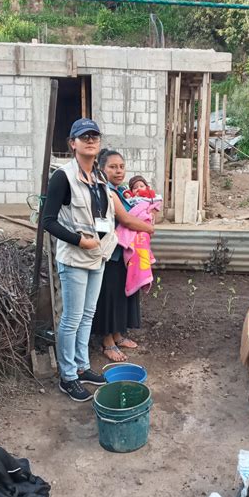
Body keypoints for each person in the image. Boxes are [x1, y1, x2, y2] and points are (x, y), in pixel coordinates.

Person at [42, 118, 119, 402]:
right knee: (71, 319)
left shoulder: (99, 176)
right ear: (72, 143)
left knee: (87, 315)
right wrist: (78, 240)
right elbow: (47, 221)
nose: (90, 140)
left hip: (98, 255)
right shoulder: (63, 177)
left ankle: (83, 366)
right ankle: (68, 376)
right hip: (75, 257)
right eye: (83, 136)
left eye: (94, 136)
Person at [92, 150, 155, 362]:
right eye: (112, 167)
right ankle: (107, 342)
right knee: (109, 297)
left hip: (124, 254)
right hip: (111, 254)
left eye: (121, 166)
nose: (119, 171)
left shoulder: (120, 191)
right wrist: (150, 228)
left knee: (121, 295)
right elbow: (126, 220)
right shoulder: (107, 191)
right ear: (102, 169)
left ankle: (118, 335)